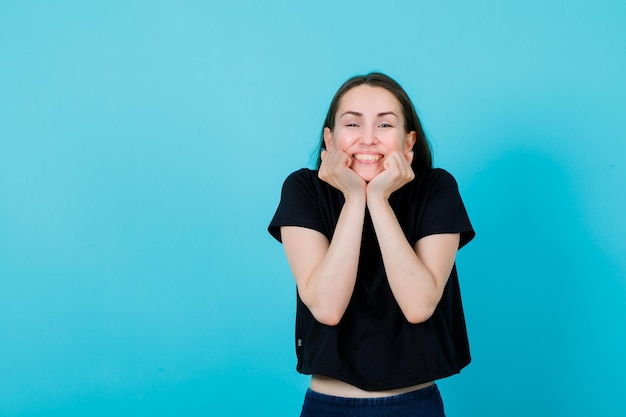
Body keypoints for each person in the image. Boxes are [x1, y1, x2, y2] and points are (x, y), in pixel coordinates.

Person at [268, 72, 475, 417]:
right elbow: (327, 308)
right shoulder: (302, 189)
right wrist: (353, 198)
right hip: (328, 407)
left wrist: (378, 199)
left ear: (408, 142)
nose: (367, 139)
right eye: (352, 125)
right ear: (329, 139)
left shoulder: (437, 189)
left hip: (415, 406)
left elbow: (418, 305)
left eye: (384, 126)